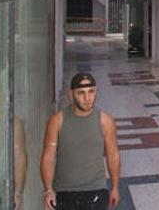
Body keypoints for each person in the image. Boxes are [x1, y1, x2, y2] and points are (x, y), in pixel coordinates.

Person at [40, 72, 121, 209]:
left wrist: (115, 187)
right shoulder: (57, 121)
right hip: (64, 191)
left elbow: (113, 155)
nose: (87, 98)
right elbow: (48, 157)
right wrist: (48, 190)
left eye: (91, 91)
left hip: (96, 190)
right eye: (81, 93)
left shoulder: (105, 121)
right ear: (71, 94)